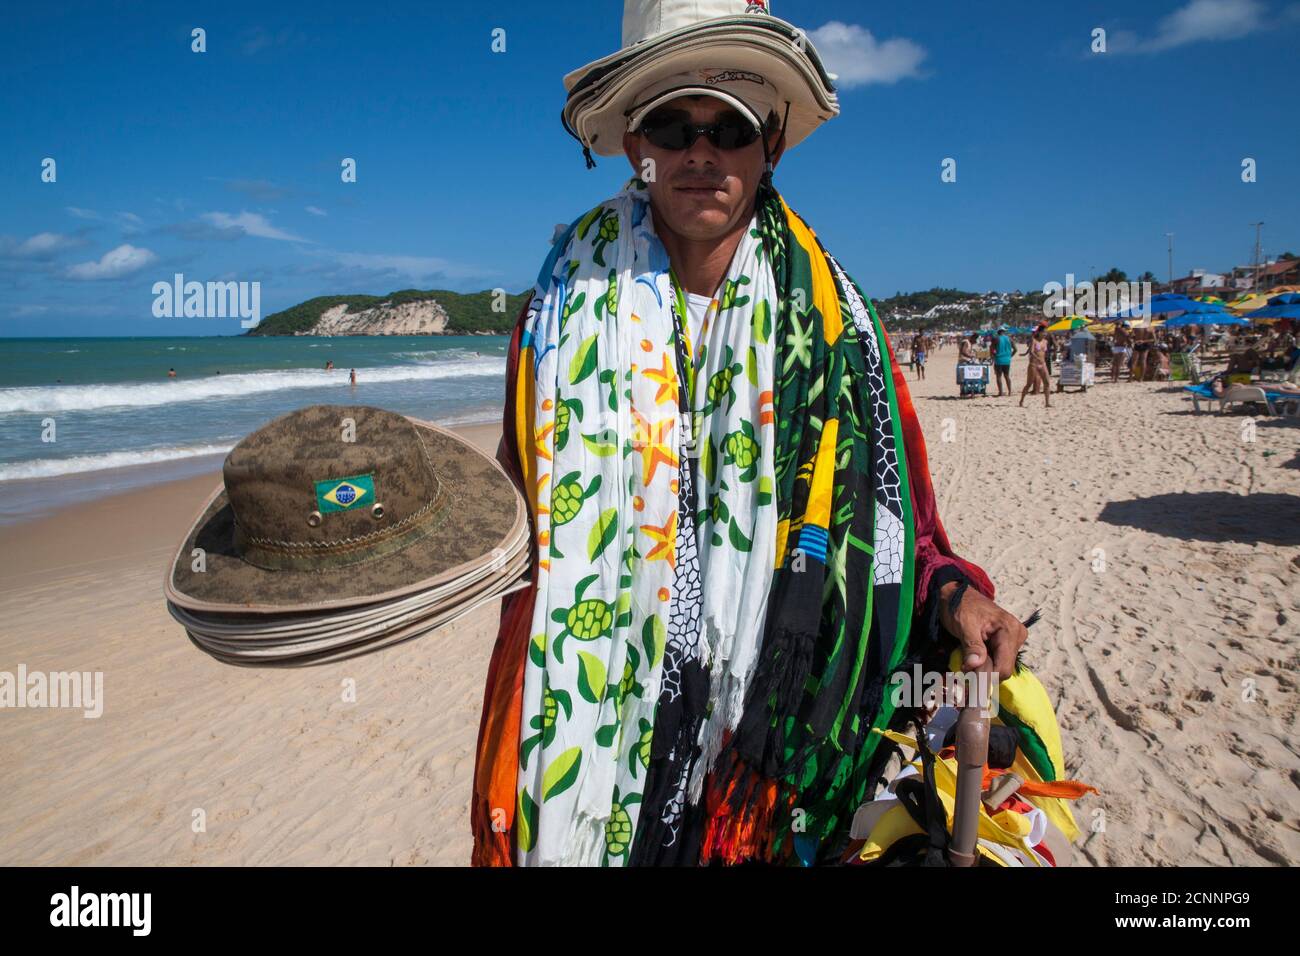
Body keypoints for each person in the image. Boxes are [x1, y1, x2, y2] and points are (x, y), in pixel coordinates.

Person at [471, 0, 1027, 869]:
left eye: (726, 125)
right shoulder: (556, 317)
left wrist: (954, 594)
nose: (700, 151)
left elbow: (900, 530)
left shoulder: (842, 330)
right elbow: (515, 520)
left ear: (767, 141)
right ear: (634, 145)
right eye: (672, 122)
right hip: (600, 725)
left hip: (765, 747)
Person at [1020, 323, 1051, 408]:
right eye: (1044, 332)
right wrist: (1037, 357)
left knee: (1047, 383)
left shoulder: (1046, 341)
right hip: (1033, 364)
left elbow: (1045, 352)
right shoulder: (1034, 340)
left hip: (1043, 363)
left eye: (1046, 332)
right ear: (1039, 332)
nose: (1045, 334)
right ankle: (1021, 400)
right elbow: (1031, 352)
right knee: (1029, 384)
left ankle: (1047, 403)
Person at [991, 326, 1014, 396]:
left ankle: (1000, 392)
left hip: (999, 360)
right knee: (1007, 376)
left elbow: (992, 349)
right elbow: (1015, 349)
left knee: (999, 376)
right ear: (1004, 332)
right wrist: (1010, 356)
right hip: (1007, 360)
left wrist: (994, 356)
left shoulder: (996, 338)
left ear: (998, 332)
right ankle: (1010, 392)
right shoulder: (1009, 339)